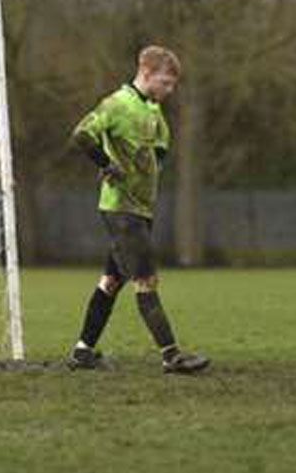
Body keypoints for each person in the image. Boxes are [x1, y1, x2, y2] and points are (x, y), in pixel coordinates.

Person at [65, 45, 210, 374]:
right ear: (146, 73)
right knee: (146, 280)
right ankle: (171, 355)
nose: (169, 90)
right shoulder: (117, 104)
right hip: (121, 209)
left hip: (141, 209)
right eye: (165, 82)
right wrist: (106, 164)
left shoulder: (153, 112)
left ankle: (82, 352)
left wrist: (147, 167)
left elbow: (159, 154)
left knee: (110, 282)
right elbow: (82, 134)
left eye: (173, 85)